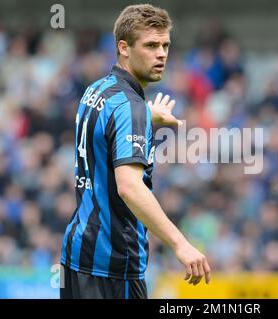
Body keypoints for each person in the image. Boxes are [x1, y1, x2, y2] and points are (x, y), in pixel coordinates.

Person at [60, 4, 211, 299]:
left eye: (165, 45)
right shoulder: (130, 108)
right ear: (124, 48)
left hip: (77, 257)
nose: (162, 54)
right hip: (112, 265)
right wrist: (180, 243)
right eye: (151, 45)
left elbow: (105, 134)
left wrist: (144, 116)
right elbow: (129, 187)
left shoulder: (97, 89)